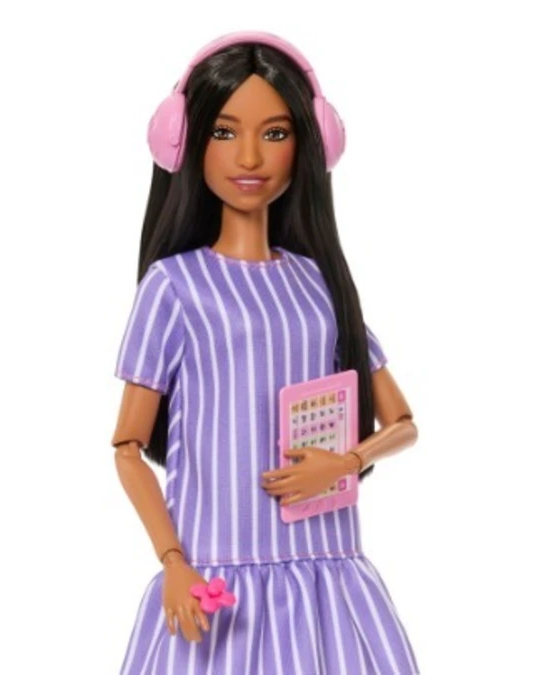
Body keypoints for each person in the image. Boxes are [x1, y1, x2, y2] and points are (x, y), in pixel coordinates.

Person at [111, 31, 421, 674]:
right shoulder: (175, 286)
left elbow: (402, 422)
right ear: (183, 142)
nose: (249, 155)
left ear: (311, 145)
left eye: (275, 133)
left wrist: (346, 462)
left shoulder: (319, 285)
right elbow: (127, 447)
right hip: (216, 583)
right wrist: (173, 562)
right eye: (224, 132)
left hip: (326, 575)